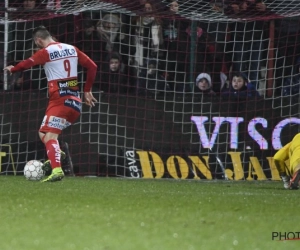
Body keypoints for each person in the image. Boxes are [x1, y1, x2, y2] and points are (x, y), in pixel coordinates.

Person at [3, 26, 97, 182]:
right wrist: (87, 90)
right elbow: (92, 66)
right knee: (43, 133)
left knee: (50, 136)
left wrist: (13, 69)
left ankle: (57, 170)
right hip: (75, 101)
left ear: (39, 40)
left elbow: (27, 63)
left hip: (59, 100)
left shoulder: (45, 52)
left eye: (36, 43)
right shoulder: (72, 48)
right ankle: (57, 153)